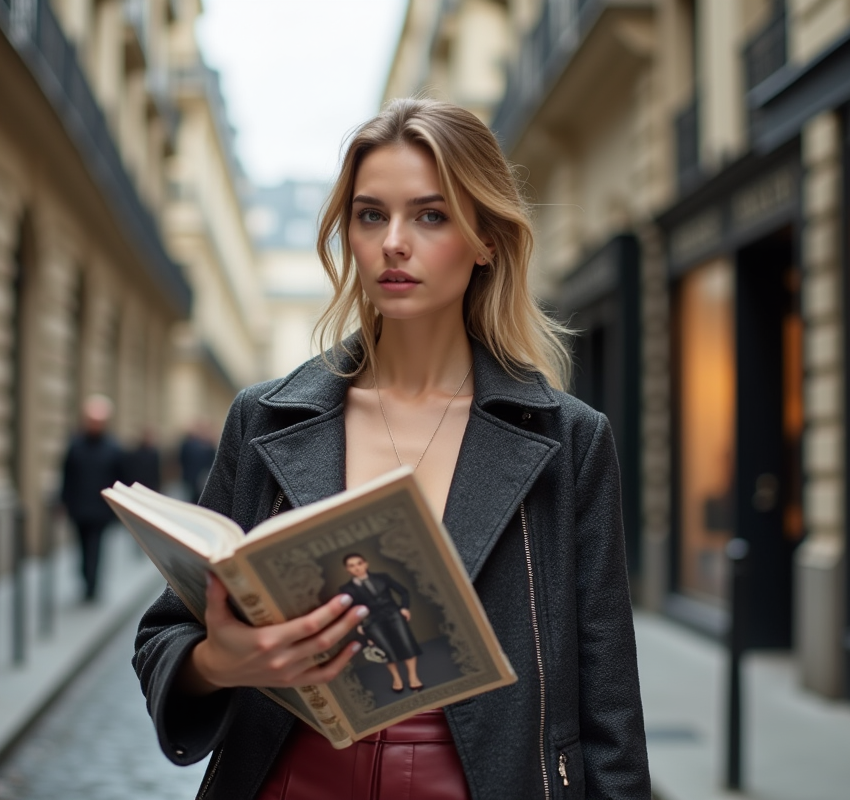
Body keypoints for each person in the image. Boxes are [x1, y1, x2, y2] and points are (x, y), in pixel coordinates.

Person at [134, 99, 650, 799]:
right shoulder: (266, 419)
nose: (393, 243)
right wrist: (219, 662)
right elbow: (165, 637)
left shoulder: (568, 440)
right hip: (291, 778)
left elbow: (609, 707)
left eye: (430, 215)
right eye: (371, 215)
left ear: (485, 238)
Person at [60, 394, 123, 602]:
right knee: (82, 547)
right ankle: (86, 580)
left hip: (101, 509)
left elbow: (119, 479)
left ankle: (92, 585)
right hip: (79, 508)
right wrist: (64, 501)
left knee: (96, 547)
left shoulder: (113, 448)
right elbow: (67, 475)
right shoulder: (76, 445)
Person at [338, 553, 423, 693]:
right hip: (371, 621)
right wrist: (358, 625)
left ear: (366, 563)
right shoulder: (346, 589)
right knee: (386, 651)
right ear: (347, 570)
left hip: (393, 614)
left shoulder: (383, 577)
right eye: (352, 566)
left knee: (406, 644)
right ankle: (397, 679)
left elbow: (403, 592)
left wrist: (404, 608)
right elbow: (349, 610)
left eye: (359, 563)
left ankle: (413, 677)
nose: (357, 568)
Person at [178, 419, 217, 502]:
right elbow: (183, 459)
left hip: (204, 481)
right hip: (190, 479)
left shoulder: (210, 446)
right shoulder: (189, 444)